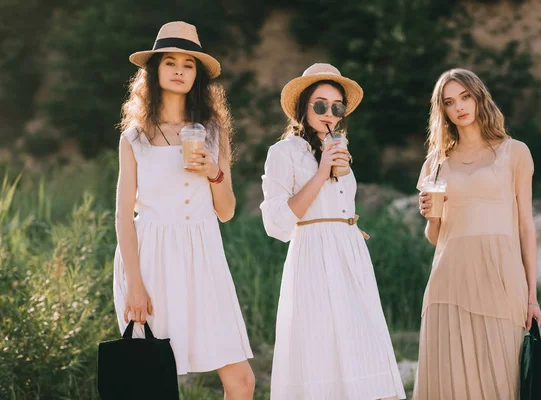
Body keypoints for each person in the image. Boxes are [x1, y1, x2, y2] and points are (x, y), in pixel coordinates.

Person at [113, 21, 254, 398]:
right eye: (170, 62)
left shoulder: (212, 130)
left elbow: (226, 212)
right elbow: (123, 214)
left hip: (204, 255)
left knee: (242, 381)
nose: (179, 70)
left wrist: (214, 172)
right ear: (155, 71)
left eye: (188, 64)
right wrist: (135, 285)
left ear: (197, 75)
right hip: (152, 257)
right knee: (151, 381)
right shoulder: (135, 137)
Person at [260, 63, 406, 400]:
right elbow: (277, 223)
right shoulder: (283, 153)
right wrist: (321, 171)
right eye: (320, 104)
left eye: (336, 106)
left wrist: (332, 163)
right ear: (303, 108)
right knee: (320, 345)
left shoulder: (339, 149)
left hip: (349, 251)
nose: (329, 112)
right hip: (313, 252)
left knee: (362, 340)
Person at [413, 68, 541, 400]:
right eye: (449, 102)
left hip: (500, 277)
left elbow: (526, 227)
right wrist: (430, 217)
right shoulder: (436, 163)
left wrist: (532, 296)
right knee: (451, 382)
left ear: (478, 97)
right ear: (442, 110)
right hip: (449, 280)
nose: (459, 107)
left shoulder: (515, 152)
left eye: (465, 96)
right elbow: (436, 237)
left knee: (503, 377)